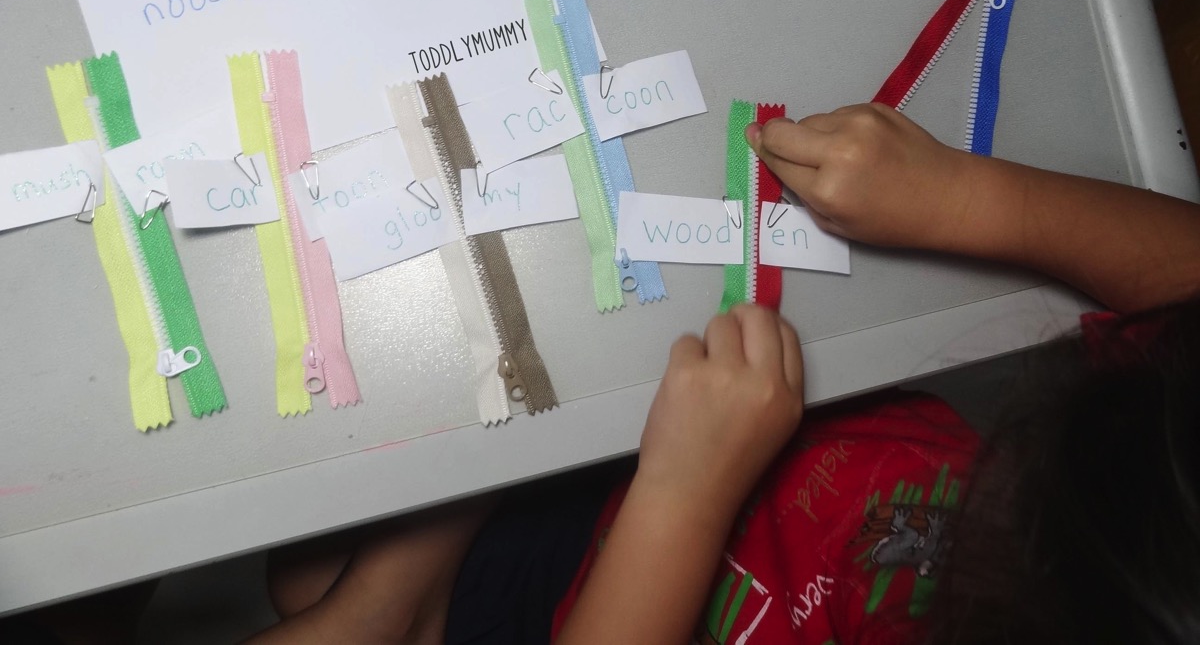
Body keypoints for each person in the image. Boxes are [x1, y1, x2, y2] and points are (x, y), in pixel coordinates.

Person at [252, 103, 1200, 645]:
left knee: (305, 579)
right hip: (735, 448)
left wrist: (682, 498)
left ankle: (395, 606)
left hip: (632, 584)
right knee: (310, 571)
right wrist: (969, 198)